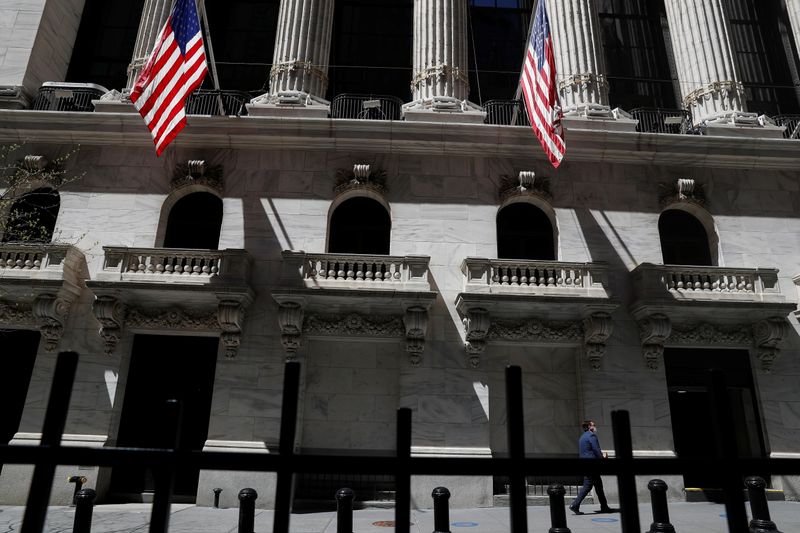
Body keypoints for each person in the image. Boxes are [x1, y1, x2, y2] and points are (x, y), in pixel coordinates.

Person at [569, 420, 617, 515]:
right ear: (589, 426)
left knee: (598, 485)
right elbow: (596, 449)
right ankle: (575, 505)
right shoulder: (592, 436)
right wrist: (602, 457)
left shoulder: (582, 437)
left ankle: (604, 506)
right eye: (593, 425)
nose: (595, 426)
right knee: (589, 486)